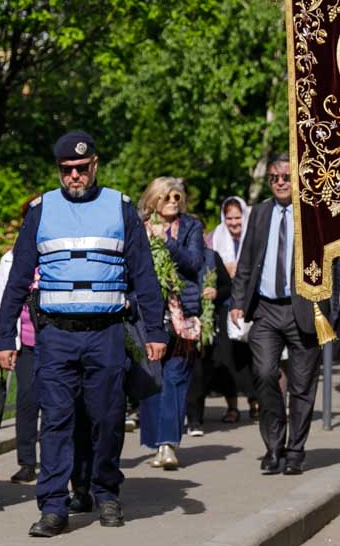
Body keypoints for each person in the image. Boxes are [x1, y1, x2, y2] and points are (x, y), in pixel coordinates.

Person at [0, 133, 168, 536]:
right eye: (66, 170)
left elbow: (144, 273)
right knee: (55, 419)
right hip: (56, 336)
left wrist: (155, 331)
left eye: (81, 168)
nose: (74, 175)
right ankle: (53, 507)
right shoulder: (40, 211)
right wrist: (6, 338)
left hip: (105, 334)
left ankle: (106, 492)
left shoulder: (120, 208)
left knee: (107, 419)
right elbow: (18, 280)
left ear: (95, 165)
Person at [228, 155, 324, 477]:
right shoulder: (259, 213)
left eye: (286, 176)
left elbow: (336, 260)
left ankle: (295, 451)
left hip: (304, 310)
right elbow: (246, 261)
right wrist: (237, 300)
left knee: (301, 385)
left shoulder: (313, 213)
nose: (280, 182)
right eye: (274, 177)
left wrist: (329, 308)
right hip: (266, 309)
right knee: (265, 374)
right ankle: (273, 445)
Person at [137, 178, 206, 470]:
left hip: (182, 314)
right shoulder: (138, 228)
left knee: (176, 378)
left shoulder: (191, 227)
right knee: (153, 378)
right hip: (148, 314)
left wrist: (167, 241)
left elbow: (194, 263)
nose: (173, 202)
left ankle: (168, 444)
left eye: (177, 197)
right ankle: (156, 441)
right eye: (166, 197)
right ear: (153, 199)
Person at [0, 196, 43, 484]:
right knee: (26, 401)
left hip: (57, 340)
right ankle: (27, 462)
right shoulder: (11, 258)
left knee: (56, 403)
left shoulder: (57, 252)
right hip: (27, 342)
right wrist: (5, 342)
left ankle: (52, 458)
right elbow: (3, 302)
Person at [207, 197, 257, 422]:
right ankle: (232, 407)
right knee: (227, 359)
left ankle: (255, 403)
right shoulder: (216, 237)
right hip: (225, 307)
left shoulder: (254, 235)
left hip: (252, 305)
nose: (234, 223)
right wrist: (225, 271)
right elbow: (208, 269)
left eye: (238, 217)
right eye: (229, 218)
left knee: (252, 358)